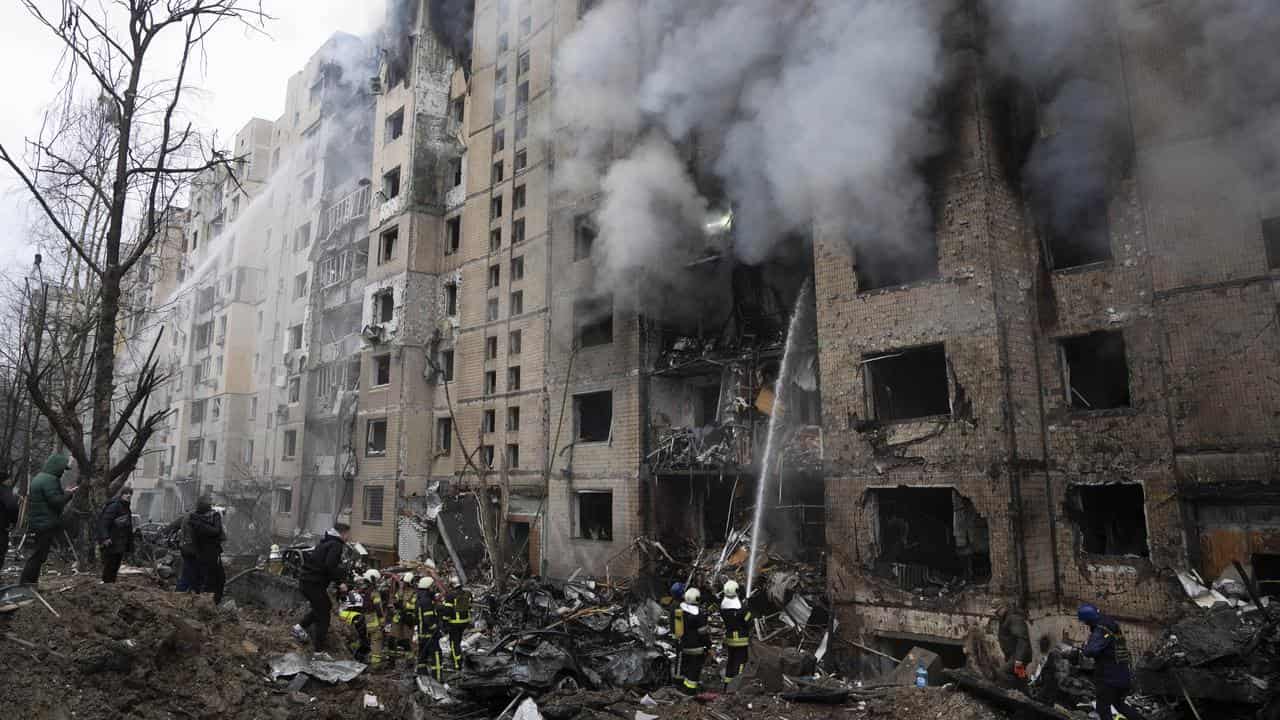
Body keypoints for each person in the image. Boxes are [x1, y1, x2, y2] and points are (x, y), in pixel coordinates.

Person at [1076, 603, 1144, 720]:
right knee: (1120, 704)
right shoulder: (1110, 624)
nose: (1085, 624)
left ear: (1088, 619)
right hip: (1122, 673)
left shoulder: (1102, 630)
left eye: (1085, 621)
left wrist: (1084, 648)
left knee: (1103, 709)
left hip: (1109, 677)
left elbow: (1091, 651)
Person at [293, 522, 350, 652]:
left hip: (308, 582)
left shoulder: (326, 542)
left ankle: (299, 627)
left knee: (325, 607)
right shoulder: (336, 545)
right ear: (342, 533)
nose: (348, 537)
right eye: (347, 534)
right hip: (313, 584)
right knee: (324, 616)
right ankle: (318, 651)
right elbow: (330, 566)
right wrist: (340, 582)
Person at [21, 453, 76, 585]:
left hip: (38, 522)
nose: (63, 472)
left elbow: (49, 498)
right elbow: (56, 501)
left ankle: (30, 582)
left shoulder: (40, 478)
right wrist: (69, 493)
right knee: (38, 555)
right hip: (45, 524)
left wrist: (64, 492)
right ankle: (26, 583)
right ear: (56, 467)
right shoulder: (50, 480)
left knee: (39, 555)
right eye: (63, 469)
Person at [188, 497, 226, 604]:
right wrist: (216, 519)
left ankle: (209, 602)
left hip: (206, 554)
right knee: (212, 581)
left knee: (216, 579)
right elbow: (216, 531)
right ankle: (208, 604)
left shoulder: (196, 519)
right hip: (208, 554)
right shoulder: (197, 520)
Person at [95, 487, 135, 583]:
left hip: (121, 542)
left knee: (116, 565)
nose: (128, 495)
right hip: (112, 541)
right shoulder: (114, 506)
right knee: (110, 564)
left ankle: (111, 584)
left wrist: (130, 545)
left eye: (130, 493)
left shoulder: (126, 508)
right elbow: (104, 522)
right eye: (126, 493)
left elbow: (128, 528)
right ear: (121, 495)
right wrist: (105, 538)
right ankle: (106, 583)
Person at [676, 587, 710, 694]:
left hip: (684, 646)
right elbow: (703, 633)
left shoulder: (679, 611)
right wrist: (708, 645)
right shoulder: (699, 614)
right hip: (697, 647)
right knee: (694, 671)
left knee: (686, 669)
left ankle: (684, 688)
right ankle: (690, 691)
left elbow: (677, 631)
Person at [719, 580, 752, 684]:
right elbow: (749, 621)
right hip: (741, 639)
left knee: (731, 660)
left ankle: (727, 683)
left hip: (730, 638)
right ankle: (738, 683)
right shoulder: (742, 608)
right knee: (741, 661)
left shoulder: (723, 607)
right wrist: (746, 607)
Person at [995, 600, 1032, 688]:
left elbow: (1022, 639)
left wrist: (1019, 660)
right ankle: (1027, 693)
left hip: (1018, 656)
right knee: (1020, 676)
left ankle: (1013, 693)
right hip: (1013, 656)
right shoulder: (1005, 619)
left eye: (997, 611)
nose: (995, 613)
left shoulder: (1014, 618)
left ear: (1004, 608)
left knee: (1001, 673)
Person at [440, 575, 472, 670]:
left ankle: (457, 663)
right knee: (458, 640)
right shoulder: (468, 593)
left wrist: (444, 624)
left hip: (454, 623)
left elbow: (447, 611)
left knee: (454, 643)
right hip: (465, 622)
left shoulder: (450, 595)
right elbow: (469, 606)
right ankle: (456, 657)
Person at [415, 576, 443, 680]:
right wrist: (436, 629)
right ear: (428, 587)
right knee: (436, 656)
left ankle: (422, 676)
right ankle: (438, 679)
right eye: (432, 587)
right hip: (429, 634)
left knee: (422, 657)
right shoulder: (427, 601)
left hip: (422, 634)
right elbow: (428, 620)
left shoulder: (419, 598)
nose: (434, 589)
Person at [0, 471, 19, 568]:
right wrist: (13, 521)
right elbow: (12, 506)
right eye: (9, 479)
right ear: (5, 481)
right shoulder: (4, 490)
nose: (11, 481)